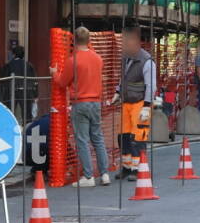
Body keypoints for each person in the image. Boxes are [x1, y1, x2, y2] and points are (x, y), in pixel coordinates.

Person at [51, 27, 111, 187]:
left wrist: (54, 73)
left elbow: (62, 82)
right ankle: (105, 174)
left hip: (80, 103)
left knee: (82, 139)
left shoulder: (73, 60)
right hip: (96, 102)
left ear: (74, 41)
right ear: (89, 40)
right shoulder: (98, 59)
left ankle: (88, 176)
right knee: (98, 138)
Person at [112, 28, 156, 181]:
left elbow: (151, 85)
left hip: (140, 103)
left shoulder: (147, 61)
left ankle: (138, 168)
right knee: (123, 136)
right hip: (127, 102)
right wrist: (118, 92)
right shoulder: (126, 58)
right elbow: (123, 78)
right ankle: (126, 166)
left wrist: (146, 106)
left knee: (138, 137)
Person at [0, 46, 38, 122]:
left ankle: (9, 128)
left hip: (12, 90)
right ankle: (27, 129)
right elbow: (34, 80)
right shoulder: (28, 65)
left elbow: (3, 80)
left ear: (14, 54)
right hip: (27, 90)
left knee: (9, 112)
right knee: (27, 114)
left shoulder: (9, 65)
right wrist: (36, 95)